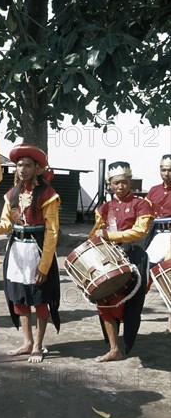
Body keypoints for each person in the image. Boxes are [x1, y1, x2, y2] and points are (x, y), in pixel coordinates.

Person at [0, 144, 60, 363]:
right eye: (19, 165)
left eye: (27, 165)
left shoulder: (48, 194)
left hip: (37, 251)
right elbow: (7, 223)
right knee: (19, 298)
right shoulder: (12, 194)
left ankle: (38, 345)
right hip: (16, 251)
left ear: (37, 168)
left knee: (40, 298)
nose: (22, 169)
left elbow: (52, 232)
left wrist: (44, 266)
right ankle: (26, 342)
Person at [89, 161, 154, 361]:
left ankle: (127, 342)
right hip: (110, 256)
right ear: (110, 184)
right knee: (105, 299)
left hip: (134, 254)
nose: (120, 186)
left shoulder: (142, 204)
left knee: (133, 302)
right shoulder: (104, 208)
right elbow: (95, 233)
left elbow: (140, 231)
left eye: (124, 182)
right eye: (116, 183)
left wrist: (111, 235)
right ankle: (113, 348)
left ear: (130, 182)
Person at [145, 154, 171, 332]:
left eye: (170, 170)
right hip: (157, 234)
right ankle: (133, 307)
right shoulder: (153, 190)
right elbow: (145, 211)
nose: (166, 173)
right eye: (163, 169)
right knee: (146, 270)